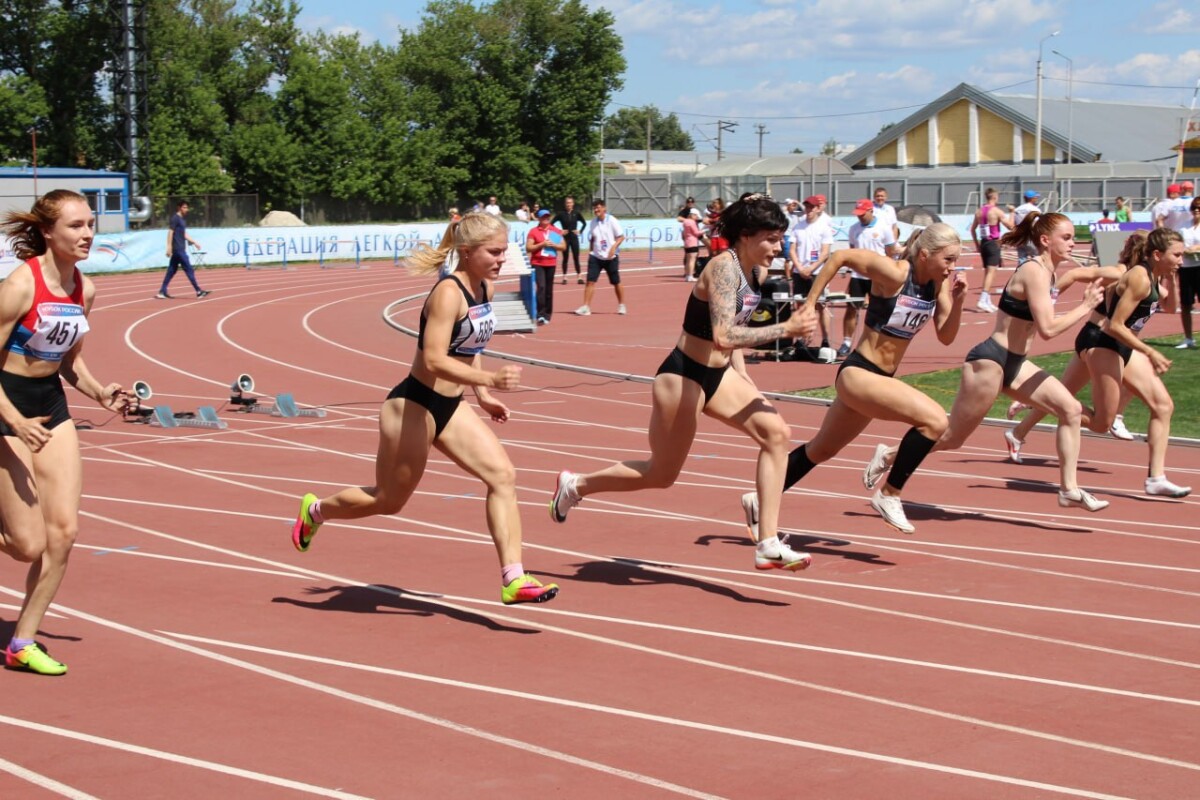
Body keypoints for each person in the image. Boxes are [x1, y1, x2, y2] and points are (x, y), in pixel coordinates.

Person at [291, 212, 558, 605]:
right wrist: (488, 382)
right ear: (467, 252)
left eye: (505, 251)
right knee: (388, 501)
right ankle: (315, 511)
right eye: (495, 252)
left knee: (503, 476)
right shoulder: (447, 294)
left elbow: (470, 344)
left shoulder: (483, 286)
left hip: (451, 406)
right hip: (413, 405)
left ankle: (513, 578)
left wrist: (482, 396)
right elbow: (433, 359)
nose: (504, 259)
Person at [550, 194, 819, 571]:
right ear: (745, 235)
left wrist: (743, 377)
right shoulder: (724, 269)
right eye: (772, 239)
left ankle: (768, 542)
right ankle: (576, 485)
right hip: (683, 377)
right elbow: (724, 334)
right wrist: (786, 329)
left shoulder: (756, 271)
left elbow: (732, 334)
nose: (779, 247)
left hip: (720, 375)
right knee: (662, 474)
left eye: (781, 238)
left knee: (776, 433)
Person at [864, 211, 1110, 519]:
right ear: (1046, 241)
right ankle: (889, 455)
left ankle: (1069, 489)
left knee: (1071, 410)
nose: (1073, 243)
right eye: (1067, 237)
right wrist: (1086, 306)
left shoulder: (1048, 272)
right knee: (953, 438)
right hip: (991, 360)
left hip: (1017, 363)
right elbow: (1047, 329)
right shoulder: (1034, 270)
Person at [741, 224, 966, 535]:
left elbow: (947, 336)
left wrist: (959, 299)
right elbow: (840, 257)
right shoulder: (896, 273)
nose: (952, 267)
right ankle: (890, 494)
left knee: (820, 450)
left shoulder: (937, 285)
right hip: (859, 374)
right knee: (936, 421)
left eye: (956, 261)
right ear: (925, 255)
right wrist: (809, 302)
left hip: (879, 380)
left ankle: (759, 498)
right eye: (949, 260)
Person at [0, 190, 131, 675]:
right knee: (25, 545)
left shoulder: (85, 290)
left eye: (91, 224)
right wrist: (13, 421)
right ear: (47, 233)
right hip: (6, 406)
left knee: (64, 533)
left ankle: (22, 641)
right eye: (76, 226)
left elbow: (69, 361)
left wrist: (100, 393)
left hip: (50, 405)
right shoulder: (19, 286)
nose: (88, 234)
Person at [1006, 228, 1190, 498]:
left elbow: (1172, 307)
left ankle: (1156, 478)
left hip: (1120, 346)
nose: (1182, 260)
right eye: (1177, 255)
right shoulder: (1137, 277)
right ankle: (1045, 403)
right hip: (1102, 343)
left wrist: (1172, 277)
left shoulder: (1156, 278)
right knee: (1101, 423)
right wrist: (1150, 353)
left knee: (1163, 405)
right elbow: (1115, 325)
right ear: (1157, 254)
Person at [837, 198, 899, 358]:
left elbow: (891, 251)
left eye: (863, 214)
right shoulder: (853, 229)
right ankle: (846, 342)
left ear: (871, 211)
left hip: (877, 276)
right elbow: (852, 252)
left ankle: (879, 342)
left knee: (879, 309)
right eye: (858, 214)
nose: (860, 217)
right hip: (858, 276)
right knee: (851, 309)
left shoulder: (884, 228)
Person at [788, 195, 835, 349]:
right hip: (800, 272)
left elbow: (825, 253)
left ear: (817, 209)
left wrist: (811, 268)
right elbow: (792, 249)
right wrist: (800, 267)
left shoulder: (824, 227)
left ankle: (826, 339)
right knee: (801, 305)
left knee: (821, 305)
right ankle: (802, 339)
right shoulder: (798, 226)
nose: (808, 210)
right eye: (807, 207)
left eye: (811, 207)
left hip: (817, 272)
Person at [575, 199, 627, 316]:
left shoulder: (612, 220)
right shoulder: (593, 222)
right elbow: (593, 238)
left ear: (604, 208)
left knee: (616, 282)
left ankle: (622, 305)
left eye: (598, 207)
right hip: (596, 257)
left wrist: (614, 247)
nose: (596, 210)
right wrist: (590, 251)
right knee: (590, 282)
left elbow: (621, 237)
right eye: (594, 208)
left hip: (610, 257)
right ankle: (586, 307)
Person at [157, 200, 209, 300]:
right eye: (184, 207)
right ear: (179, 208)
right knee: (189, 269)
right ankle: (198, 291)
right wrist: (169, 247)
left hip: (180, 249)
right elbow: (170, 232)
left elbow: (184, 234)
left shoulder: (182, 220)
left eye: (187, 207)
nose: (186, 209)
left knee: (171, 270)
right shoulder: (175, 218)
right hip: (178, 249)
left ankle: (162, 291)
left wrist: (194, 242)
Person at [971, 187, 1012, 313]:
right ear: (994, 197)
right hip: (993, 243)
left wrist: (977, 245)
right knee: (991, 272)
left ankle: (987, 300)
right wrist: (1013, 212)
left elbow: (972, 229)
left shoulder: (979, 211)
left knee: (988, 272)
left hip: (984, 242)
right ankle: (982, 299)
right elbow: (1011, 226)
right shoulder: (996, 211)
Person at [526, 209, 563, 324]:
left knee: (548, 289)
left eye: (547, 217)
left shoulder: (555, 231)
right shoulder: (534, 231)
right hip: (537, 263)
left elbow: (564, 246)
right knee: (541, 287)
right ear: (539, 219)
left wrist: (555, 245)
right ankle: (540, 313)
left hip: (551, 262)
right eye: (543, 217)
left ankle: (547, 314)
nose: (545, 219)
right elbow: (528, 248)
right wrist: (542, 244)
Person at [1177, 198, 1200, 349]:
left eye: (1199, 208)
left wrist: (1196, 249)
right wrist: (1185, 250)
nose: (1196, 210)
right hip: (1186, 268)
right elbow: (1177, 245)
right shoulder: (1183, 227)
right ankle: (1188, 338)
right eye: (1194, 208)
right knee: (1186, 304)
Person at [552, 196, 587, 285]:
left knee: (576, 258)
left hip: (574, 238)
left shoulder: (576, 213)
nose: (569, 205)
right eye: (567, 203)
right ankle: (564, 278)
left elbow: (584, 223)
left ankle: (579, 277)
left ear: (573, 204)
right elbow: (551, 224)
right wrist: (560, 231)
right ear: (565, 204)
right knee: (565, 258)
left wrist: (580, 231)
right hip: (565, 239)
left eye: (570, 203)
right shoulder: (561, 214)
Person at [1011, 190, 1041, 264]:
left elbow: (1013, 224)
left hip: (1020, 236)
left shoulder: (1017, 209)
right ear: (1032, 198)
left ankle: (1021, 273)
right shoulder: (1035, 209)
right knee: (1037, 256)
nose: (1036, 198)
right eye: (1035, 197)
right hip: (1031, 236)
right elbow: (1037, 224)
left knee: (1022, 259)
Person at [680, 207, 703, 282]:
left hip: (687, 243)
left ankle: (687, 275)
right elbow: (696, 233)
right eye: (696, 216)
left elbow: (683, 233)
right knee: (692, 260)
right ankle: (690, 276)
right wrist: (704, 231)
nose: (696, 217)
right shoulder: (692, 222)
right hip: (692, 243)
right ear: (692, 215)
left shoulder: (685, 222)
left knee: (688, 260)